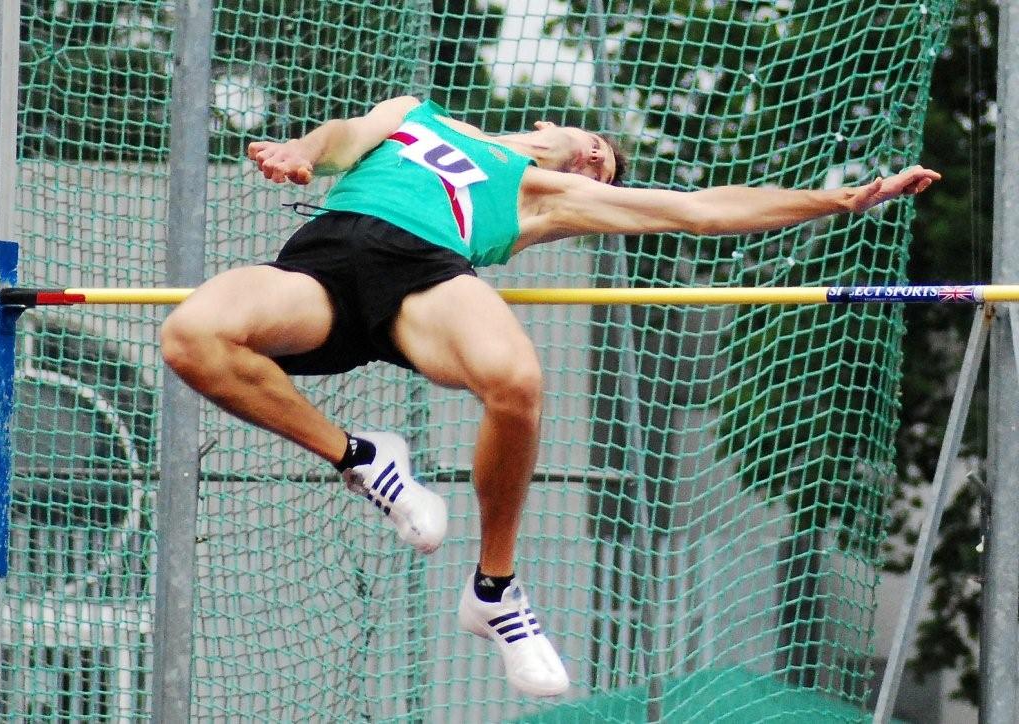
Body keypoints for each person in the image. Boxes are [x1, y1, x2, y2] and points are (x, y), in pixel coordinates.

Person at [160, 95, 940, 697]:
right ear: (550, 123)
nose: (599, 159)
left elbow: (701, 210)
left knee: (517, 381)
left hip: (425, 281)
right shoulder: (417, 113)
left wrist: (839, 201)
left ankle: (495, 589)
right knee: (191, 336)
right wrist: (301, 151)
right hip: (319, 268)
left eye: (607, 169)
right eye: (597, 145)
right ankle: (362, 458)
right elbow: (344, 136)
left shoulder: (546, 193)